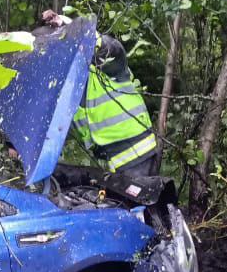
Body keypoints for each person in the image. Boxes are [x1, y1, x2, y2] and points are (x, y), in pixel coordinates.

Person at [40, 10, 159, 177]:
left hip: (136, 152)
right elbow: (46, 124)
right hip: (114, 161)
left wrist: (75, 32)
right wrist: (14, 145)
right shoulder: (67, 91)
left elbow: (112, 49)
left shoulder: (105, 69)